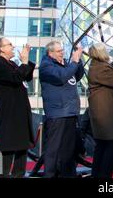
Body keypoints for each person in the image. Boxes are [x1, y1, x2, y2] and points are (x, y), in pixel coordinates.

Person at [0, 38, 36, 178]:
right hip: (10, 113)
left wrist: (26, 60)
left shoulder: (11, 63)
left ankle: (19, 175)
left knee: (22, 148)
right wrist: (23, 62)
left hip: (20, 112)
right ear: (1, 49)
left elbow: (26, 77)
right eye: (9, 44)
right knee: (8, 149)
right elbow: (16, 78)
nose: (13, 46)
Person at [39, 41, 85, 178]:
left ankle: (68, 174)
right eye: (59, 51)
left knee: (68, 149)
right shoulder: (46, 66)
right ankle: (50, 174)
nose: (62, 53)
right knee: (54, 149)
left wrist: (78, 60)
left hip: (70, 112)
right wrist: (74, 62)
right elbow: (61, 77)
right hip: (57, 113)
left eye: (62, 50)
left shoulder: (65, 64)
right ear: (50, 53)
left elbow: (77, 75)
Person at [88, 43, 113, 178]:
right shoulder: (101, 68)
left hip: (102, 114)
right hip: (106, 115)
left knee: (102, 146)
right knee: (112, 144)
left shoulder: (97, 66)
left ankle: (97, 175)